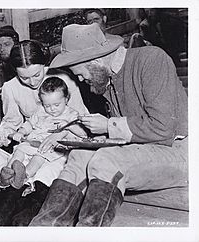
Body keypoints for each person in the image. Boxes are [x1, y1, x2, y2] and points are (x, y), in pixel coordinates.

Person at [29, 23, 188, 226]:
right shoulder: (104, 79)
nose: (79, 79)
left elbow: (163, 129)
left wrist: (107, 126)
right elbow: (124, 136)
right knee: (79, 156)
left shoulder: (152, 59)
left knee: (106, 159)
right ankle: (43, 228)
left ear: (95, 60)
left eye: (79, 73)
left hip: (179, 150)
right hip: (139, 150)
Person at [0, 39, 88, 226]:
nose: (32, 82)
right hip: (33, 139)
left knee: (44, 179)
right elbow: (11, 122)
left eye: (37, 74)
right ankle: (0, 217)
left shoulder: (63, 80)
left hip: (64, 144)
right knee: (14, 174)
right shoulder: (10, 88)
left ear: (45, 64)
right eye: (24, 77)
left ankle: (27, 217)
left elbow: (81, 120)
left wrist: (61, 132)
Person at [0, 76, 86, 190]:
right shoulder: (41, 111)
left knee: (39, 157)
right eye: (47, 105)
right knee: (19, 151)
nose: (52, 109)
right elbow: (30, 123)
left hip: (49, 146)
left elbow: (83, 134)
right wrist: (21, 132)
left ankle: (25, 176)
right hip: (32, 141)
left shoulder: (71, 115)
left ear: (66, 99)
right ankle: (7, 172)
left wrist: (68, 127)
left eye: (56, 105)